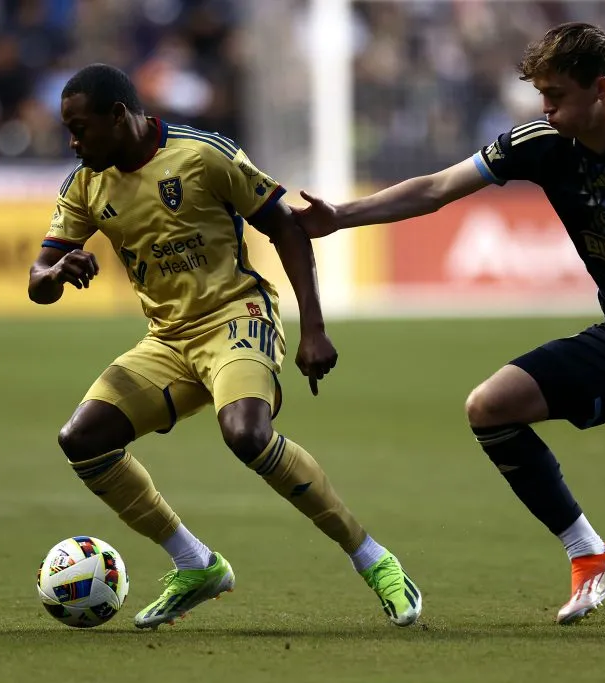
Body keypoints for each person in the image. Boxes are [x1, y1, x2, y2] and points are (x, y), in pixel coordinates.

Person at [294, 23, 605, 631]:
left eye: (555, 95)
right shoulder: (538, 142)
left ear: (601, 88)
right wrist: (340, 217)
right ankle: (591, 554)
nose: (544, 108)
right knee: (489, 407)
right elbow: (436, 189)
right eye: (539, 93)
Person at [28, 64, 421, 630]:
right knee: (83, 440)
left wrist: (313, 327)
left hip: (238, 316)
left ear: (119, 116)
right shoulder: (85, 185)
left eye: (81, 127)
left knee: (246, 433)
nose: (73, 141)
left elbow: (284, 227)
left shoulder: (203, 155)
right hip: (166, 339)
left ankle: (374, 559)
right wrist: (58, 270)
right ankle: (196, 564)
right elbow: (37, 280)